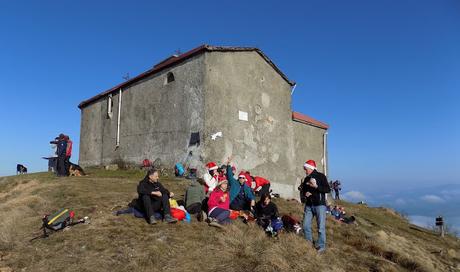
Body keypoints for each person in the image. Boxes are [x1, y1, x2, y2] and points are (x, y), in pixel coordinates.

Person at [299, 159, 331, 252]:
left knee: (320, 227)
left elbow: (327, 189)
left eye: (306, 169)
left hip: (320, 205)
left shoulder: (321, 176)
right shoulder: (306, 179)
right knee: (305, 225)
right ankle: (309, 243)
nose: (305, 171)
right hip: (309, 205)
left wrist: (316, 187)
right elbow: (304, 190)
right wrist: (306, 193)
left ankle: (321, 246)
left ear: (310, 168)